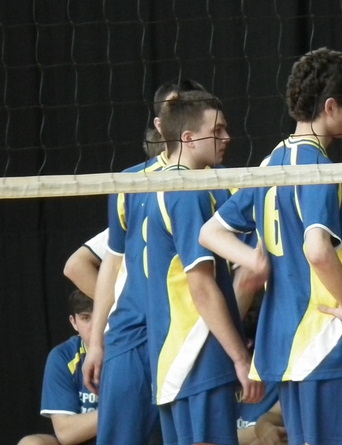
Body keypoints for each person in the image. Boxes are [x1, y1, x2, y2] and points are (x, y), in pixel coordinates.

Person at [199, 47, 342, 445]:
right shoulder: (318, 168)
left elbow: (210, 233)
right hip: (323, 336)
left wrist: (255, 260)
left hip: (284, 340)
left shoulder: (270, 162)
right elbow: (317, 250)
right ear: (331, 106)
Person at [80, 78, 206, 445]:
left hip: (190, 338)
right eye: (174, 109)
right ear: (160, 124)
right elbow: (111, 263)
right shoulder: (132, 183)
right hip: (132, 338)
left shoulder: (222, 182)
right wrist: (97, 341)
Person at [144, 89, 264, 444]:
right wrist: (240, 358)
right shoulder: (187, 191)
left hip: (175, 359)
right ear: (188, 138)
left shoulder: (169, 185)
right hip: (197, 354)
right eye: (217, 131)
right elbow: (201, 286)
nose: (227, 137)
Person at [18, 290, 98, 445]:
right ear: (73, 322)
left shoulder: (131, 351)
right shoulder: (63, 356)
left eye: (102, 316)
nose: (95, 326)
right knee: (31, 443)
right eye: (86, 318)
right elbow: (66, 433)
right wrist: (119, 409)